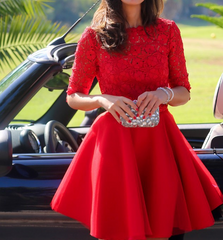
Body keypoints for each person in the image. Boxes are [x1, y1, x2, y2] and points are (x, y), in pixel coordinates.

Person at [51, 0, 223, 239]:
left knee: (163, 222)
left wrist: (165, 94)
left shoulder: (168, 31)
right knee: (118, 227)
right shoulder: (93, 37)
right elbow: (74, 96)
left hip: (158, 143)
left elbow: (183, 91)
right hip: (115, 144)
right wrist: (103, 99)